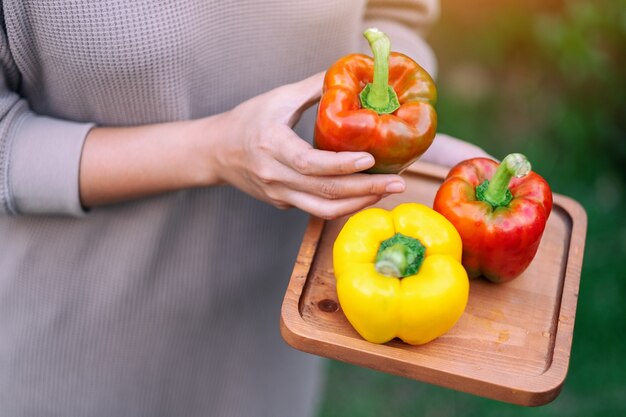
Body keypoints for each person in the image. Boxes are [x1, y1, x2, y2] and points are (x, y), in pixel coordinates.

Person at [0, 1, 489, 416]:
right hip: (84, 335)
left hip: (281, 304)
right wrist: (215, 150)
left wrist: (385, 135)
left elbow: (395, 12)